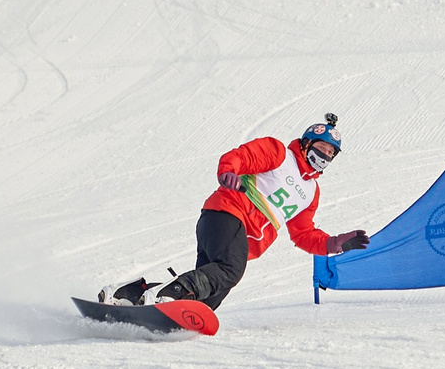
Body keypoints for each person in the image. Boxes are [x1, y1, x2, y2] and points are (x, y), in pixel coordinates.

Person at [105, 116, 370, 312]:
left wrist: (334, 243)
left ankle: (131, 294)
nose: (323, 156)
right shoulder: (280, 154)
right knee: (230, 270)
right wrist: (228, 173)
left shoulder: (311, 191)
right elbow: (241, 157)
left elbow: (303, 233)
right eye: (320, 148)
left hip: (239, 238)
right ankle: (164, 295)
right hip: (228, 214)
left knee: (206, 303)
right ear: (306, 143)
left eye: (330, 153)